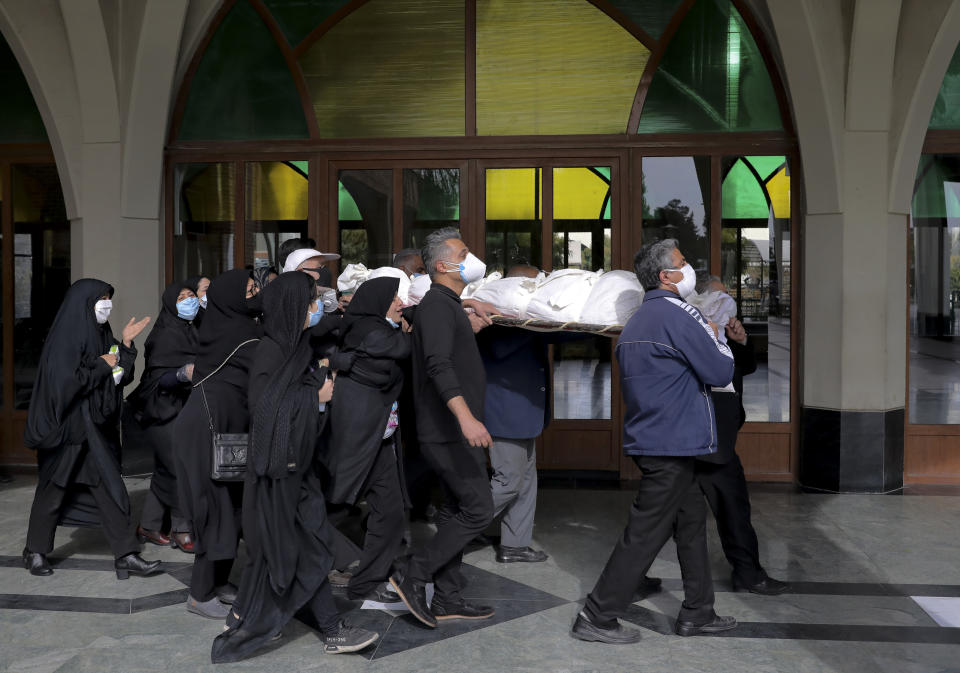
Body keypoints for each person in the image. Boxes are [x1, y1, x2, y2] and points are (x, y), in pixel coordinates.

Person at [572, 239, 738, 644]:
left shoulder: (640, 320)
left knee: (691, 522)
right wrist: (718, 337)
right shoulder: (676, 314)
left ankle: (698, 611)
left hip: (659, 439)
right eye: (682, 263)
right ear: (666, 276)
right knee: (645, 532)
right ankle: (597, 615)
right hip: (672, 444)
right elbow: (719, 372)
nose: (689, 269)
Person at [211, 272, 378, 663]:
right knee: (305, 549)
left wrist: (313, 390)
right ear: (291, 307)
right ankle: (328, 630)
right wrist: (315, 396)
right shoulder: (271, 351)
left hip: (296, 469)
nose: (315, 308)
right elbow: (265, 410)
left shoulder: (293, 346)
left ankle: (245, 614)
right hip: (278, 472)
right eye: (309, 302)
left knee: (300, 547)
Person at [389, 227, 495, 628]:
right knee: (479, 508)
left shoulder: (446, 304)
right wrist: (466, 417)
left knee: (455, 510)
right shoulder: (437, 305)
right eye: (464, 252)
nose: (471, 258)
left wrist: (468, 314)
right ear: (442, 265)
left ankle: (448, 597)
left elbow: (443, 341)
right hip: (448, 430)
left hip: (449, 428)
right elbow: (438, 364)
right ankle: (413, 573)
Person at [22, 278, 161, 579]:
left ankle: (126, 554)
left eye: (109, 298)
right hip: (68, 430)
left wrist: (125, 345)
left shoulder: (103, 334)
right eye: (101, 299)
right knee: (53, 490)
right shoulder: (65, 339)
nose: (107, 304)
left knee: (109, 488)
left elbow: (118, 377)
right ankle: (35, 551)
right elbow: (65, 384)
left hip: (95, 429)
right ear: (83, 304)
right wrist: (102, 364)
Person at [692, 276, 789, 596]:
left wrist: (742, 341)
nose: (727, 306)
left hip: (722, 431)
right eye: (719, 299)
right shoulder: (694, 331)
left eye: (728, 299)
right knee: (731, 506)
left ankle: (747, 573)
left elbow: (744, 369)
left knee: (663, 513)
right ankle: (748, 573)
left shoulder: (727, 329)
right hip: (704, 435)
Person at [174, 268, 262, 619]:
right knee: (216, 509)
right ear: (231, 298)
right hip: (207, 431)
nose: (257, 295)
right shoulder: (243, 335)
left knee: (234, 505)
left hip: (225, 428)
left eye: (257, 288)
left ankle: (220, 581)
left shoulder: (227, 325)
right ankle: (199, 593)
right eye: (251, 289)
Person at [325, 277, 411, 603]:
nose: (400, 304)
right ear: (377, 302)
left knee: (389, 512)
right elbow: (403, 348)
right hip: (359, 436)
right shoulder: (370, 332)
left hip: (379, 438)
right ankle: (311, 557)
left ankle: (368, 579)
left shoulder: (371, 328)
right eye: (394, 299)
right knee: (335, 506)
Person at [475, 265, 554, 563]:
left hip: (524, 412)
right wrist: (533, 322)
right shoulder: (493, 316)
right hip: (503, 411)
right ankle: (457, 527)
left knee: (525, 480)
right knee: (508, 480)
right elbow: (498, 349)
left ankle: (514, 545)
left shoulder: (524, 318)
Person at [127, 281, 199, 553]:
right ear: (170, 303)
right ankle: (182, 528)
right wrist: (180, 375)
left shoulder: (195, 330)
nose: (189, 300)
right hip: (161, 412)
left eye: (191, 295)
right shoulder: (163, 336)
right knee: (179, 468)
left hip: (185, 410)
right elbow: (158, 379)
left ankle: (149, 524)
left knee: (165, 469)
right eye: (182, 297)